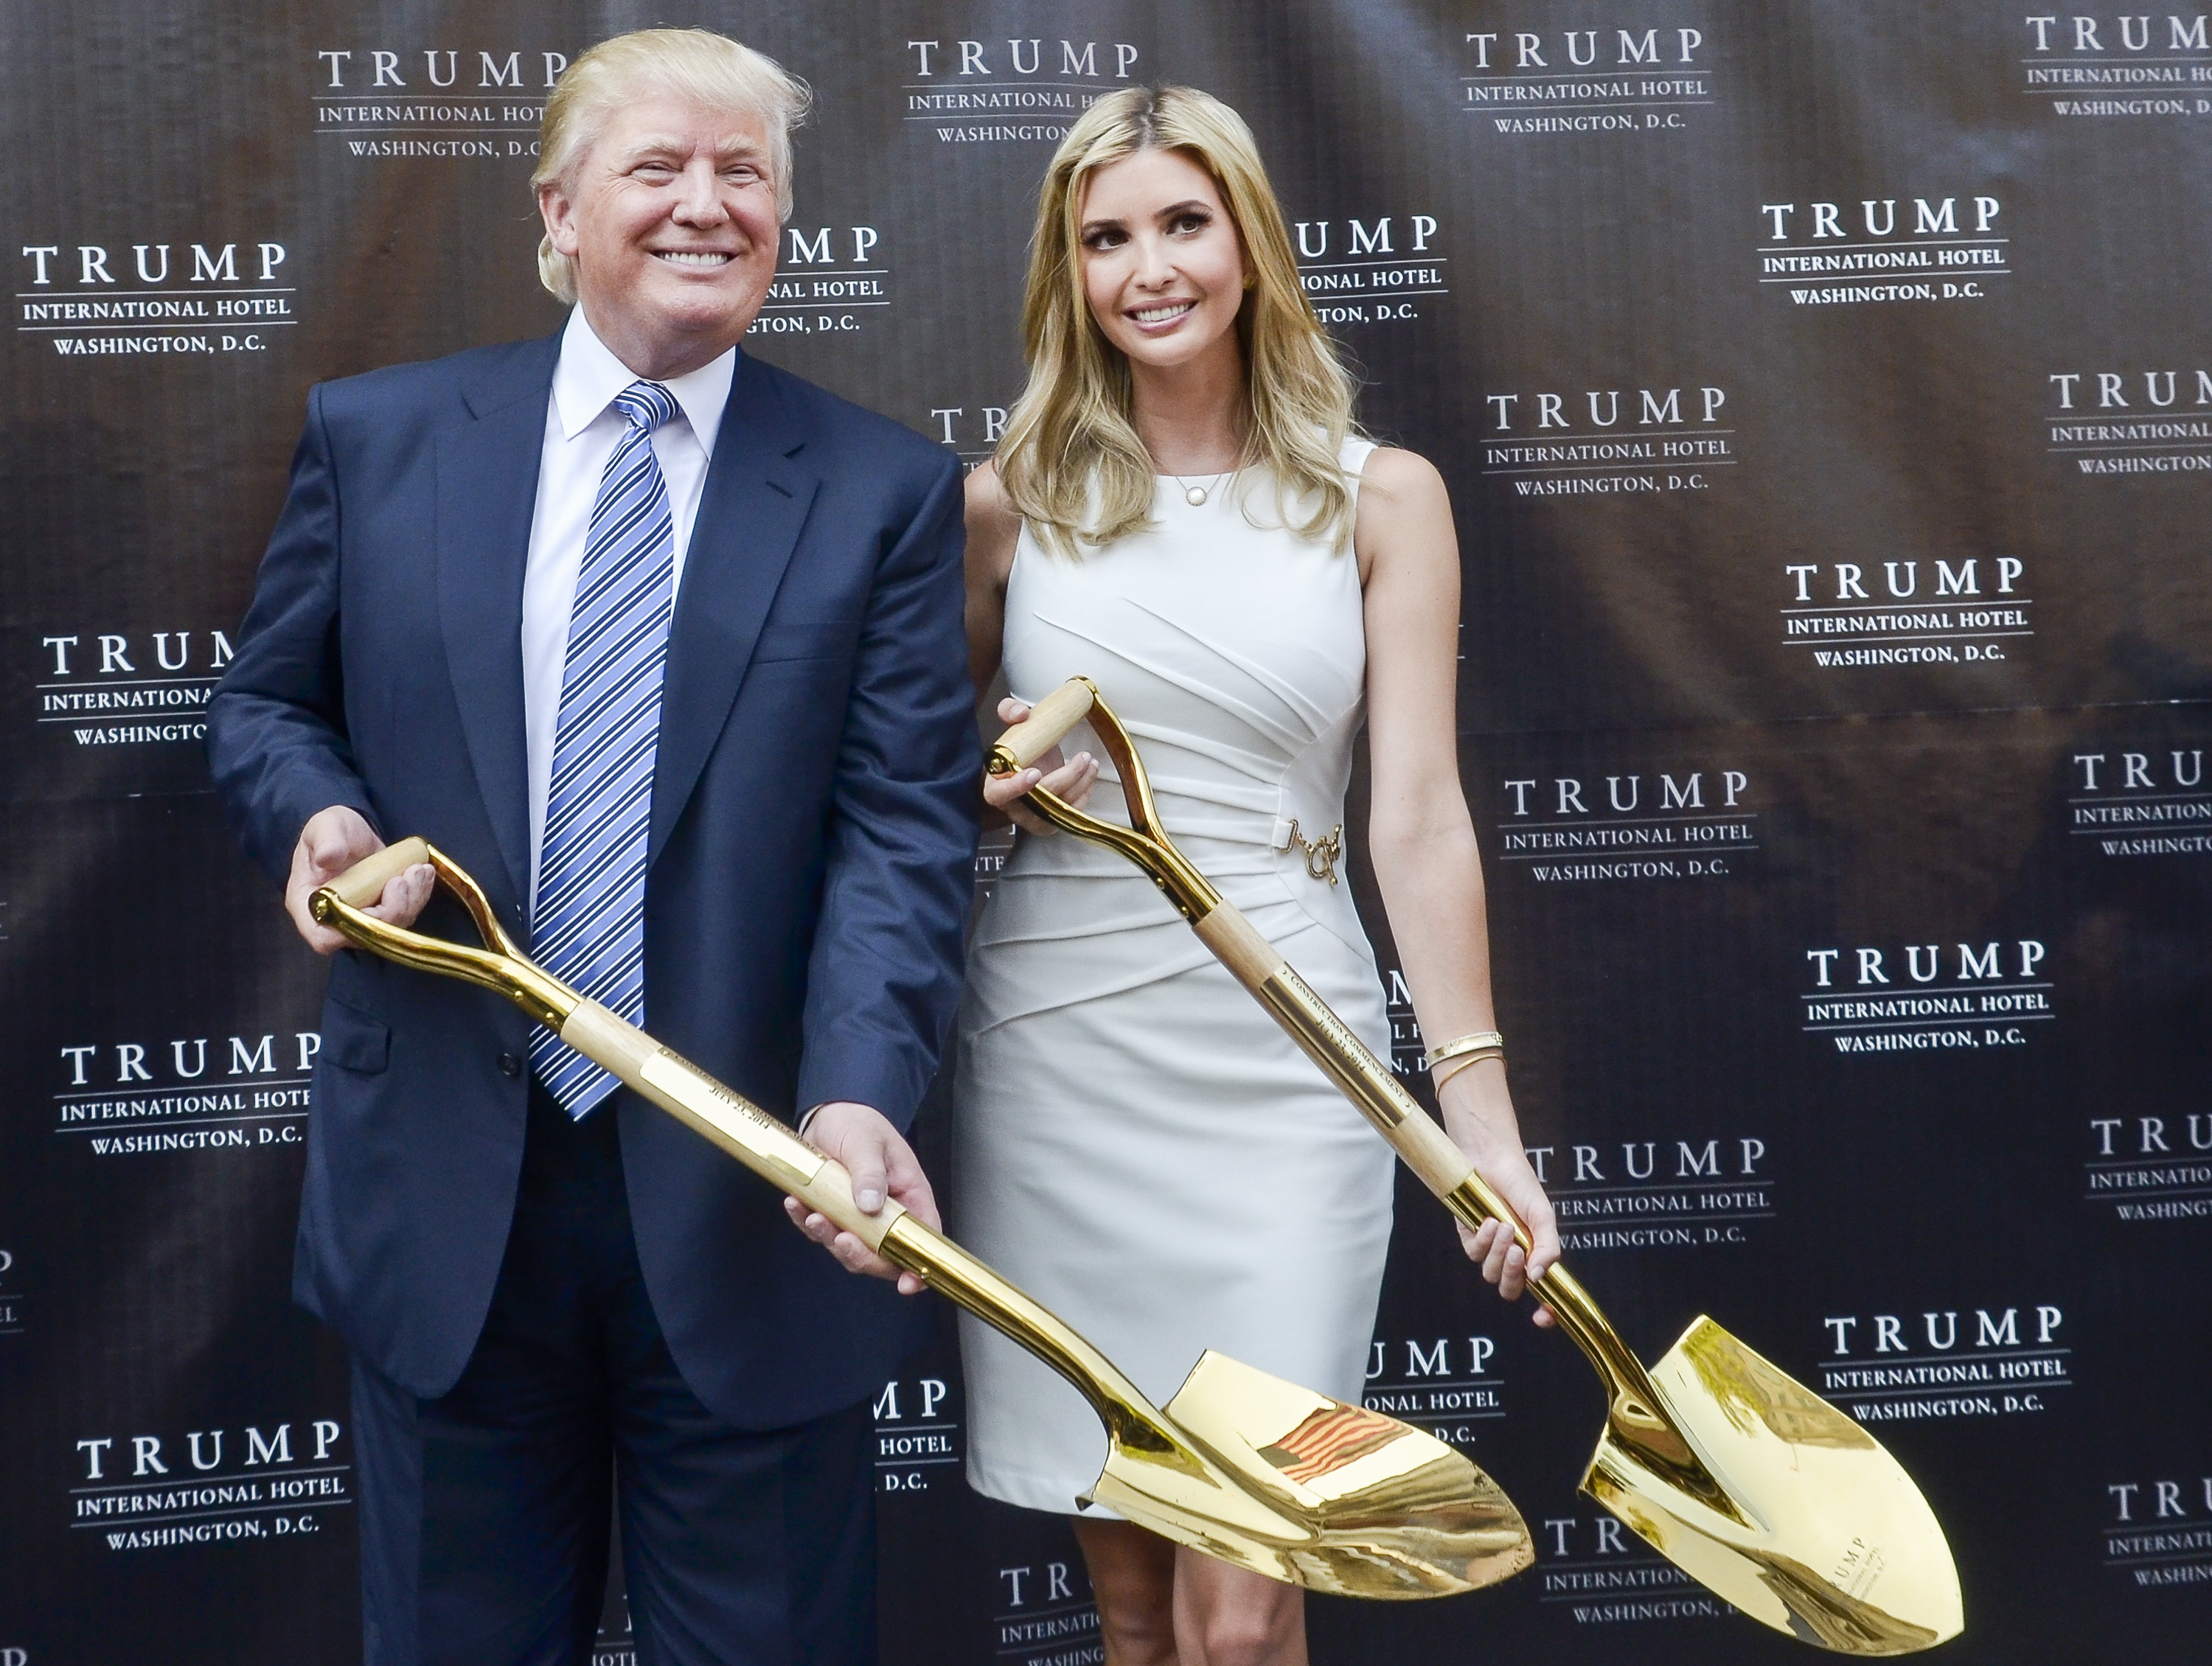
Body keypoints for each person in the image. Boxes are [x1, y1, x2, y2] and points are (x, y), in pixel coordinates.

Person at [206, 29, 977, 1666]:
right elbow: (268, 704)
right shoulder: (379, 436)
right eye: (658, 168)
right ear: (558, 213)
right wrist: (321, 817)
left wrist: (856, 1094)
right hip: (446, 1202)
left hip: (757, 1199)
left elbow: (902, 829)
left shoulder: (884, 489)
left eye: (745, 173)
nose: (707, 204)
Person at [952, 85, 1562, 1666]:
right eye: (1107, 238)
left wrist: (1480, 1116)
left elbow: (1416, 817)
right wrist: (995, 781)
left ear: (1252, 243)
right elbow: (921, 790)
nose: (1148, 268)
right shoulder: (1006, 504)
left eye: (1183, 223)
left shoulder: (1381, 497)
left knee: (1247, 1601)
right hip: (1060, 1056)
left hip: (1294, 1061)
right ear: (1069, 269)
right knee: (1134, 1612)